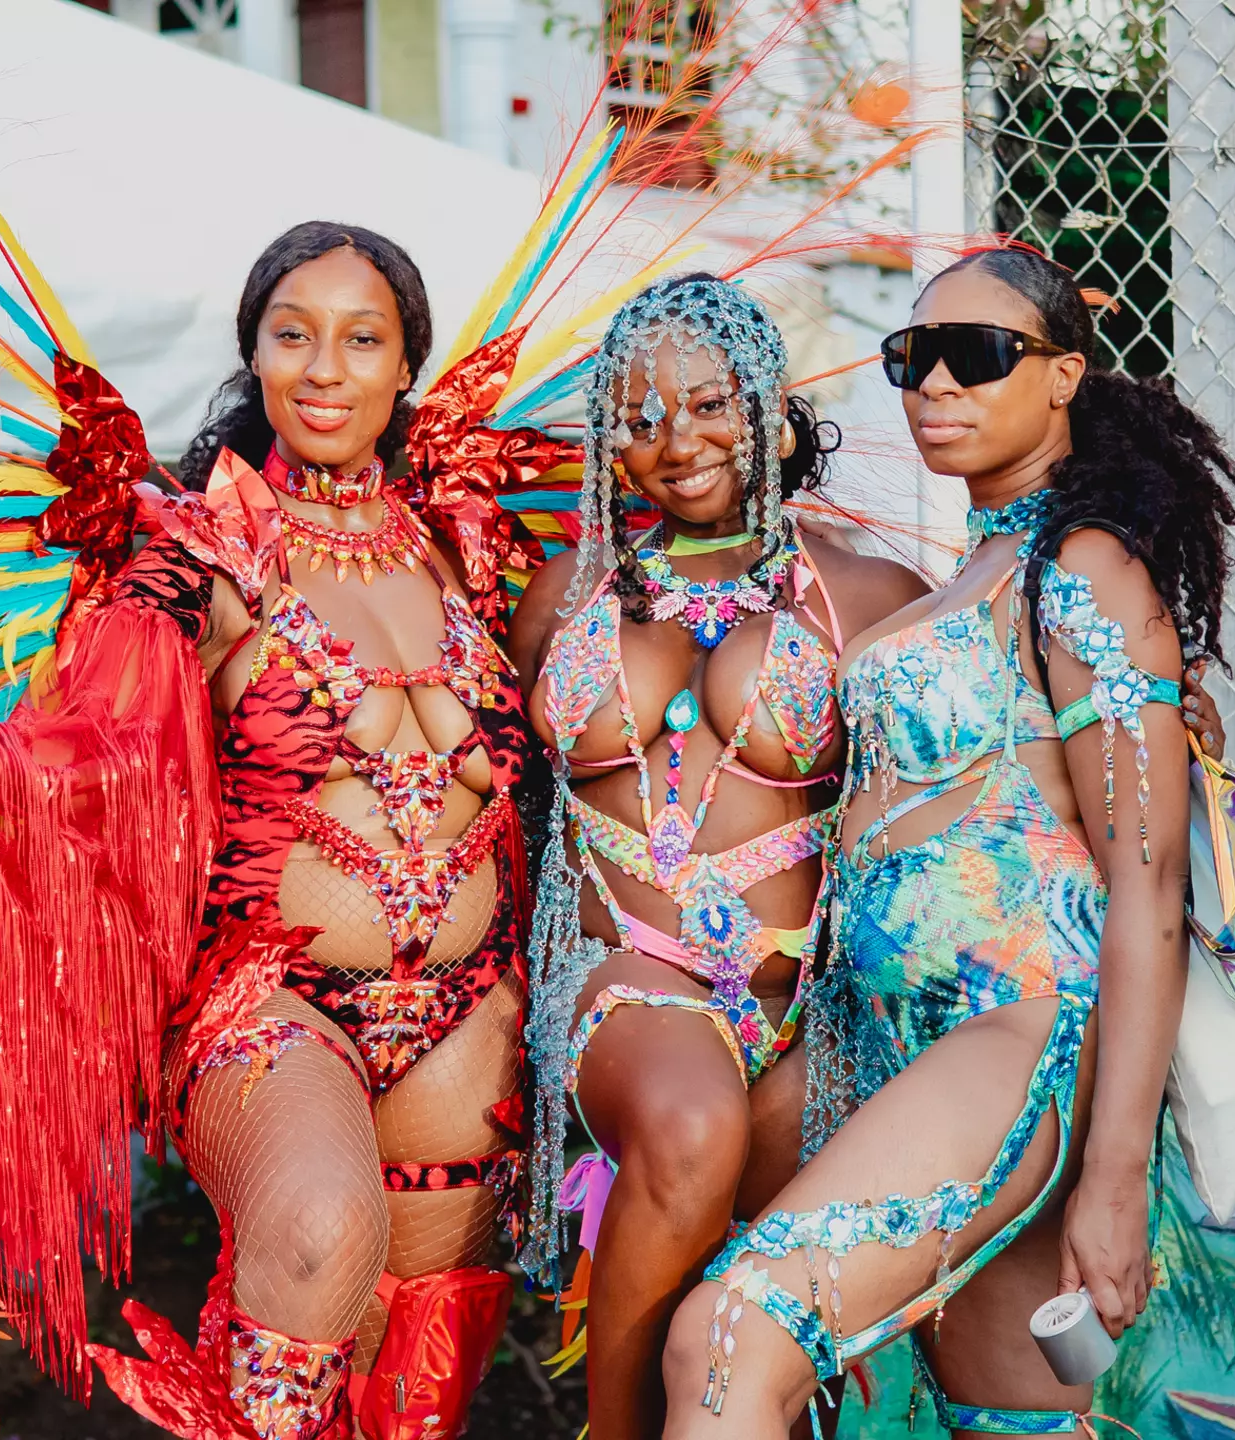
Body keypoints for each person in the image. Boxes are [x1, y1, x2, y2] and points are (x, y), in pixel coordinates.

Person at [0, 222, 533, 1439]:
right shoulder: (196, 549)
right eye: (293, 337)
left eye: (360, 340)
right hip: (272, 1002)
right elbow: (93, 747)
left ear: (408, 370)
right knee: (313, 1233)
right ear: (255, 357)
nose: (324, 370)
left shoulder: (476, 548)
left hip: (468, 1015)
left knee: (419, 1383)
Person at [657, 241, 1235, 1437]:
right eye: (910, 358)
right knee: (1014, 1423)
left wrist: (1115, 1173)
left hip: (1014, 1041)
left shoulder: (1080, 572)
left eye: (975, 357)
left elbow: (1148, 893)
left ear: (1063, 375)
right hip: (888, 1052)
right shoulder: (967, 573)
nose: (933, 385)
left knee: (726, 1341)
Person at [508, 274, 926, 1439]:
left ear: (768, 407)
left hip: (806, 1006)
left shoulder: (868, 595)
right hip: (622, 977)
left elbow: (977, 745)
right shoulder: (564, 597)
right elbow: (493, 796)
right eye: (637, 421)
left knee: (759, 1337)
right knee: (693, 1129)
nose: (675, 442)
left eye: (705, 405)